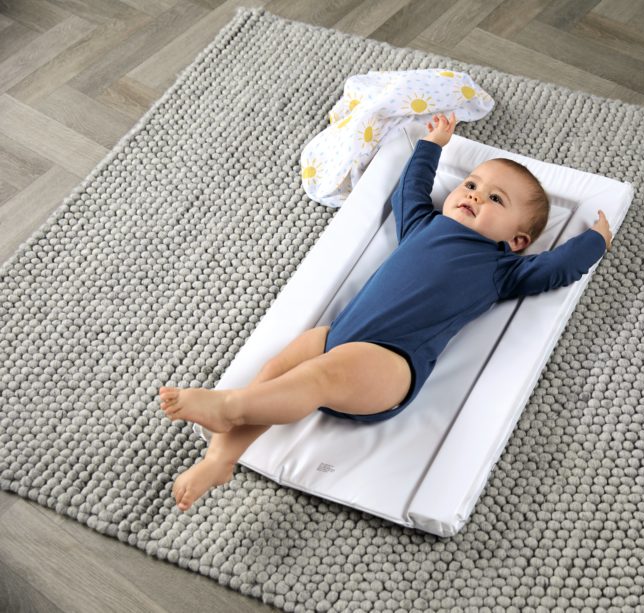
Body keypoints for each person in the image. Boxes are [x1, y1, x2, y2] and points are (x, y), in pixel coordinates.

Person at [159, 112, 613, 511]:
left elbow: (558, 268)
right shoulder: (423, 223)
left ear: (517, 240)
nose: (474, 195)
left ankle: (231, 406)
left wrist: (595, 239)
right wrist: (432, 147)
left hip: (391, 364)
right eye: (472, 184)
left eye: (496, 200)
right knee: (280, 366)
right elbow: (411, 188)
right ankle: (219, 459)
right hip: (340, 335)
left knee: (319, 376)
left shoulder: (503, 268)